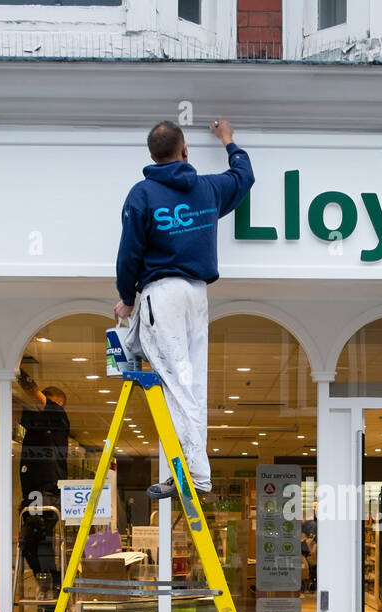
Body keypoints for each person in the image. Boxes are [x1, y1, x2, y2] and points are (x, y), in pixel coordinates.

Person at [113, 118, 254, 501]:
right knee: (191, 387)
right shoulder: (207, 189)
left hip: (163, 295)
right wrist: (228, 140)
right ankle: (193, 471)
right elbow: (243, 177)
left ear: (152, 156)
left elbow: (129, 254)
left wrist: (127, 296)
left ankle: (194, 474)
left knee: (177, 388)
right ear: (185, 150)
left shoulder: (142, 194)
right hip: (197, 296)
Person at [17, 374, 70, 612]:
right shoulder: (39, 423)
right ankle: (50, 598)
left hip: (45, 492)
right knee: (34, 548)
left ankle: (53, 599)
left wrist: (23, 381)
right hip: (34, 494)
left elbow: (37, 399)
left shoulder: (58, 417)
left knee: (40, 547)